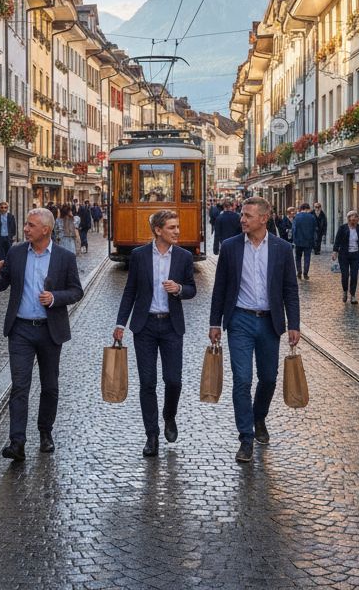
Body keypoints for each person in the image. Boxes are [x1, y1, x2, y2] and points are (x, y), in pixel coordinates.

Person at [0, 208, 84, 460]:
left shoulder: (64, 257)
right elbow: (2, 284)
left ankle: (45, 432)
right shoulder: (17, 252)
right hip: (20, 330)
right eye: (26, 224)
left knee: (50, 386)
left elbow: (76, 291)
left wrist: (54, 298)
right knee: (20, 386)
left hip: (50, 331)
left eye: (31, 225)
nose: (26, 229)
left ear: (45, 230)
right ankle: (17, 442)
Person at [210, 196, 300, 463]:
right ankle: (246, 438)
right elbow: (220, 288)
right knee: (242, 379)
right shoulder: (231, 247)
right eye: (242, 215)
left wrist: (293, 323)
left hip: (270, 321)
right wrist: (215, 322)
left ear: (264, 217)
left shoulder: (283, 249)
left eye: (248, 216)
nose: (242, 220)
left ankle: (259, 416)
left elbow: (290, 290)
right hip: (240, 320)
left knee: (269, 378)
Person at [113, 210, 196, 457]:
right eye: (172, 227)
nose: (177, 231)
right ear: (158, 230)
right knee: (147, 383)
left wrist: (179, 288)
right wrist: (120, 324)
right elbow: (130, 291)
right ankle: (152, 435)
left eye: (177, 227)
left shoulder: (184, 256)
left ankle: (169, 415)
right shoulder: (139, 256)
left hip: (171, 326)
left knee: (174, 380)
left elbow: (191, 289)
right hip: (145, 327)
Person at [331, 209, 359, 303]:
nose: (353, 222)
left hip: (356, 255)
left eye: (355, 220)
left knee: (354, 275)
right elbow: (337, 240)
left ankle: (353, 295)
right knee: (345, 275)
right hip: (344, 255)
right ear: (348, 220)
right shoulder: (342, 228)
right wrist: (335, 252)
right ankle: (345, 291)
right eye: (351, 220)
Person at [292, 202, 318, 280]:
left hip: (298, 241)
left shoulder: (297, 217)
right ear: (307, 208)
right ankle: (305, 273)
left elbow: (294, 229)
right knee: (307, 257)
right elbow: (314, 229)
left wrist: (294, 239)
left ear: (301, 208)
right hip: (308, 241)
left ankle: (299, 271)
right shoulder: (312, 217)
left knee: (298, 257)